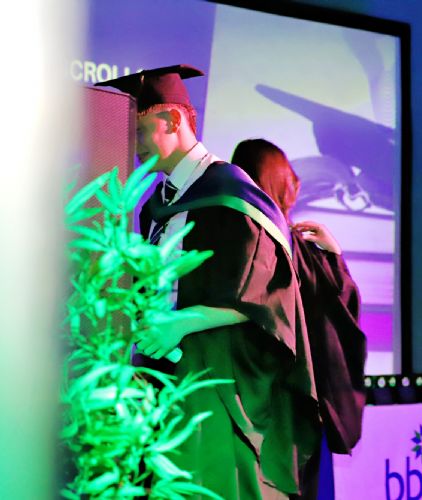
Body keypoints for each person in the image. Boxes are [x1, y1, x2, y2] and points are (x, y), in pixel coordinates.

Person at [96, 66, 321, 499]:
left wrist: (182, 322)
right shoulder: (157, 205)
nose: (134, 145)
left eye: (140, 130)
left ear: (172, 121)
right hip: (161, 378)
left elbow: (265, 294)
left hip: (218, 383)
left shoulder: (233, 195)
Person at [231, 138, 367, 498]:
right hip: (291, 407)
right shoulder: (295, 250)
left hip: (245, 402)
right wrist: (332, 257)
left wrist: (331, 254)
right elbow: (341, 317)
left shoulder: (245, 241)